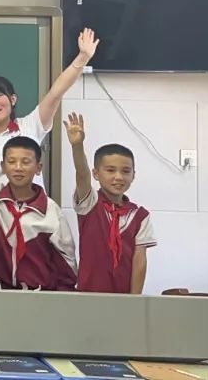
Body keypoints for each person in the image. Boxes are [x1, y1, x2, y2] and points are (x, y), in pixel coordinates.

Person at [0, 28, 99, 189]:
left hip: (31, 204)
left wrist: (83, 58)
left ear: (13, 99)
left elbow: (55, 93)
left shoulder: (30, 125)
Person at [67, 113, 155, 294]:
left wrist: (134, 300)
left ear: (133, 175)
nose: (118, 177)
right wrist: (77, 145)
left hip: (124, 298)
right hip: (88, 296)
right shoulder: (90, 203)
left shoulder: (140, 216)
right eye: (110, 170)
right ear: (96, 174)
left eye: (126, 171)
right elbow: (81, 173)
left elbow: (139, 261)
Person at [0, 137, 76, 291]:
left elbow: (67, 262)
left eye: (25, 162)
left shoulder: (51, 210)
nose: (18, 168)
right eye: (12, 162)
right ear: (3, 167)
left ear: (38, 167)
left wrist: (62, 296)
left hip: (41, 295)